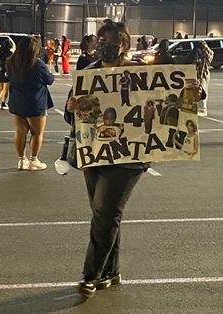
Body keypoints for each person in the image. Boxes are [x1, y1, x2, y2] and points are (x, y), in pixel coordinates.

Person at [65, 19, 150, 298]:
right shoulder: (88, 73)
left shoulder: (142, 72)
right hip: (96, 155)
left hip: (128, 158)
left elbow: (169, 97)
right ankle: (110, 272)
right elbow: (71, 117)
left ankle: (90, 276)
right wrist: (72, 108)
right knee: (105, 215)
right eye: (102, 42)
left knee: (105, 213)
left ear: (125, 45)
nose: (106, 47)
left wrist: (196, 92)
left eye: (112, 42)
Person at [7, 36, 54, 170]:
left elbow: (9, 77)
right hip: (35, 103)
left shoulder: (11, 62)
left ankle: (22, 160)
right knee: (37, 133)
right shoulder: (37, 64)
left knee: (20, 131)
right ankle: (34, 160)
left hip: (17, 101)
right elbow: (49, 80)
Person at [185, 41, 214, 116]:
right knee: (200, 91)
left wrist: (199, 77)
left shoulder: (202, 54)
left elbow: (199, 64)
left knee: (202, 91)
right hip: (203, 73)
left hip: (202, 74)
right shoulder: (208, 53)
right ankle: (200, 108)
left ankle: (202, 109)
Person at [0, 39, 13, 110]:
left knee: (0, 88)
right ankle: (3, 103)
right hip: (7, 72)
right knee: (6, 89)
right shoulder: (9, 53)